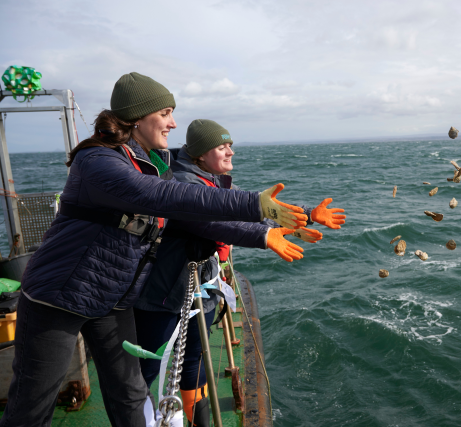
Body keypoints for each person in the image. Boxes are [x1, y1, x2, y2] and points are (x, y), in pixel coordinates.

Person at [0, 73, 310, 427]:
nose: (173, 123)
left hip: (111, 296)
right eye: (165, 113)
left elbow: (196, 211)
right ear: (137, 117)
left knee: (131, 394)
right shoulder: (99, 161)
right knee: (32, 405)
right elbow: (165, 196)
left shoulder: (152, 163)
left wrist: (280, 223)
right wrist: (255, 204)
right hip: (59, 295)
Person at [134, 119, 347, 426]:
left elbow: (245, 212)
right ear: (200, 154)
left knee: (195, 363)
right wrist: (263, 237)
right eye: (222, 147)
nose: (230, 152)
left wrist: (308, 215)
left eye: (230, 145)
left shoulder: (211, 180)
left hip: (200, 292)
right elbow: (217, 222)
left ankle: (200, 423)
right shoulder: (182, 185)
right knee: (144, 371)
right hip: (163, 297)